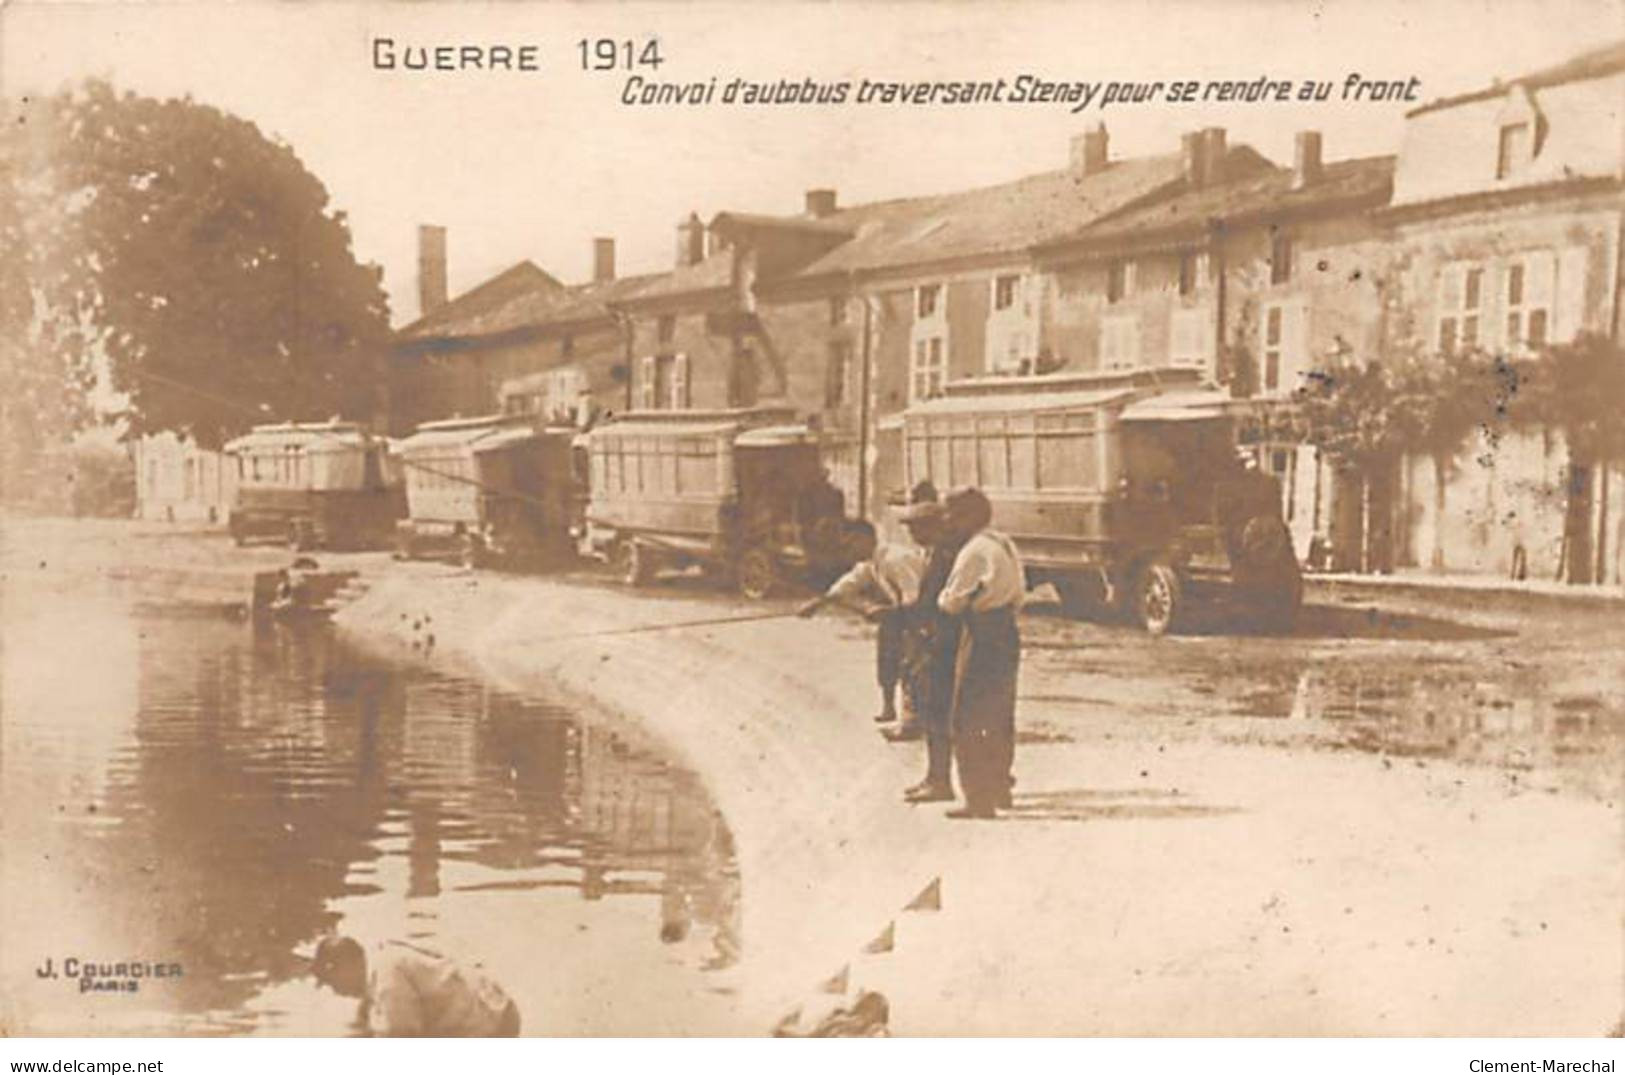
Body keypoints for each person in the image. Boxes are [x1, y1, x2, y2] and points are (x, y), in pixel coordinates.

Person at [937, 487, 1026, 819]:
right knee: (999, 714)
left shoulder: (973, 552)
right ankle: (1000, 787)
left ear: (968, 516)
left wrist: (945, 602)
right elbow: (1020, 590)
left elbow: (951, 601)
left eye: (951, 514)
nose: (946, 521)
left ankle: (978, 799)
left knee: (968, 717)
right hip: (1006, 629)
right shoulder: (1003, 543)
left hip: (980, 632)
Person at [796, 519, 927, 726]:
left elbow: (916, 600)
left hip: (924, 616)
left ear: (865, 539)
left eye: (850, 544)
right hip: (904, 613)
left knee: (911, 663)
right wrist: (818, 604)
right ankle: (888, 706)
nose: (847, 551)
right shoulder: (870, 563)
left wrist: (885, 611)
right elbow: (847, 584)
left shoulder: (895, 558)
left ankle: (913, 719)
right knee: (886, 647)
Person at [308, 934, 520, 1037]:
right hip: (490, 1005)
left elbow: (401, 1036)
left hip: (490, 1021)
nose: (336, 991)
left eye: (333, 982)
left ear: (346, 966)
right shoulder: (378, 959)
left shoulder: (386, 977)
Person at [899, 496, 969, 801]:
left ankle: (939, 781)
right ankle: (935, 777)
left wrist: (903, 617)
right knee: (933, 712)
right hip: (936, 638)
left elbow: (935, 603)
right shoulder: (936, 552)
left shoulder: (945, 555)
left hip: (941, 641)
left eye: (917, 526)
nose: (911, 532)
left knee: (936, 712)